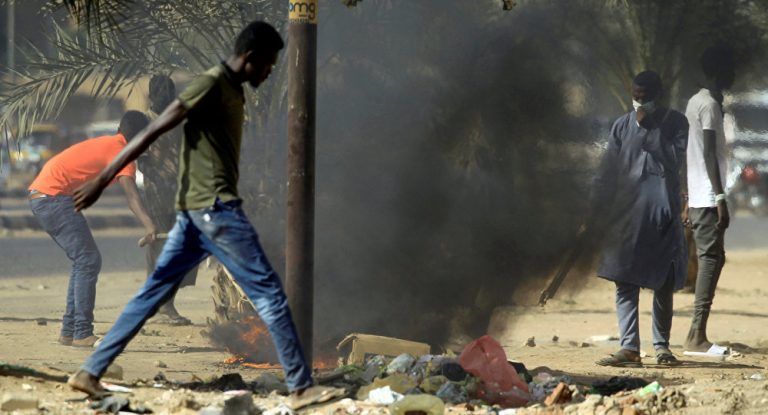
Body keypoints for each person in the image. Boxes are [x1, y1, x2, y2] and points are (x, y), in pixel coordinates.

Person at [67, 21, 344, 409]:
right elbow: (153, 129)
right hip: (216, 210)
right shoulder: (212, 84)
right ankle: (300, 387)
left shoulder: (232, 89)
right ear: (250, 56)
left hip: (195, 214)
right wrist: (103, 176)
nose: (270, 71)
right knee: (270, 295)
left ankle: (89, 372)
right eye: (268, 63)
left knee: (151, 295)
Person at [28, 111, 158, 348]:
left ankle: (70, 331)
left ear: (120, 129)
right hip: (53, 197)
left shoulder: (110, 143)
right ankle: (82, 332)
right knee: (88, 260)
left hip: (45, 195)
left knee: (83, 260)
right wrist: (149, 224)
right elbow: (132, 196)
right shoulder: (123, 153)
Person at [590, 71, 688, 367]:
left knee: (663, 282)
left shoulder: (676, 123)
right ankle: (629, 347)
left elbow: (675, 160)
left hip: (662, 214)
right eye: (636, 96)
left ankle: (662, 348)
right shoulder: (621, 125)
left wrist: (651, 130)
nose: (640, 101)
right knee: (625, 280)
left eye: (645, 97)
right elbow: (608, 171)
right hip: (627, 215)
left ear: (659, 95)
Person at [683, 46, 736, 352]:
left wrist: (686, 196)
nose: (734, 75)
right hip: (707, 195)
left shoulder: (696, 101)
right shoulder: (710, 106)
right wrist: (719, 196)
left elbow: (688, 153)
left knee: (715, 259)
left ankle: (698, 333)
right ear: (719, 71)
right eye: (730, 69)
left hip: (699, 193)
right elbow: (706, 153)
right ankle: (696, 336)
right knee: (711, 260)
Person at [138, 74, 196, 326]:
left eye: (167, 92)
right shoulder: (144, 121)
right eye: (160, 93)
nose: (164, 97)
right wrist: (160, 177)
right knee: (162, 245)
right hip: (158, 193)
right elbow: (141, 160)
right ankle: (162, 305)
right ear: (151, 96)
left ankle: (163, 301)